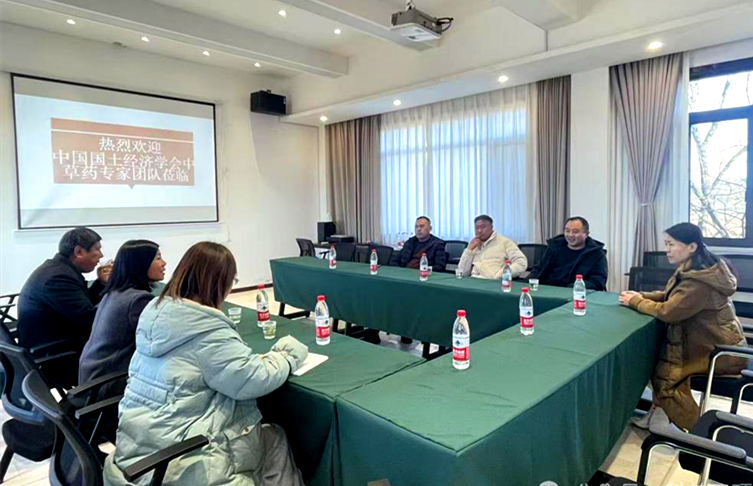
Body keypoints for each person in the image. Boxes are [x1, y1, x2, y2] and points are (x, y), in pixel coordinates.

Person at [104, 242, 308, 486]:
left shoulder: (155, 312)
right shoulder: (206, 328)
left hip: (137, 448)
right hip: (182, 460)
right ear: (218, 283)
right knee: (274, 437)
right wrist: (287, 354)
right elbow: (253, 379)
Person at [619, 223, 746, 431]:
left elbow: (669, 312)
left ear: (692, 247)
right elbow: (672, 297)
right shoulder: (694, 270)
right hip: (705, 343)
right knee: (654, 362)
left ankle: (699, 430)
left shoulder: (698, 281)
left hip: (717, 353)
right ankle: (659, 413)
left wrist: (636, 302)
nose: (666, 250)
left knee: (664, 377)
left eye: (671, 244)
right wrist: (641, 296)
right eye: (666, 244)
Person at [17, 227, 111, 386]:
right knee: (121, 353)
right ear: (79, 252)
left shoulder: (58, 269)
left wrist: (101, 283)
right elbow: (89, 319)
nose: (101, 255)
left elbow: (82, 304)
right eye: (97, 249)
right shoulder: (57, 278)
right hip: (57, 358)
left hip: (53, 346)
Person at [78, 240, 166, 400]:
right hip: (107, 386)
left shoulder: (115, 293)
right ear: (141, 264)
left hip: (91, 379)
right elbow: (161, 340)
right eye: (158, 258)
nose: (164, 263)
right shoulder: (138, 300)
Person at [529, 217, 608, 291]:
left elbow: (598, 281)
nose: (570, 235)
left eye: (575, 232)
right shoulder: (554, 248)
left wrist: (574, 287)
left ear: (586, 234)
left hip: (575, 292)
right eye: (567, 231)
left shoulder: (597, 254)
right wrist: (529, 281)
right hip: (547, 289)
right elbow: (539, 268)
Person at [457, 215, 527, 279]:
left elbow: (521, 263)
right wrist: (469, 250)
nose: (479, 231)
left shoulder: (505, 242)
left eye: (483, 227)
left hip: (493, 282)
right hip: (473, 281)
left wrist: (501, 275)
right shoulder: (473, 245)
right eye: (476, 228)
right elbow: (462, 273)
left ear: (491, 227)